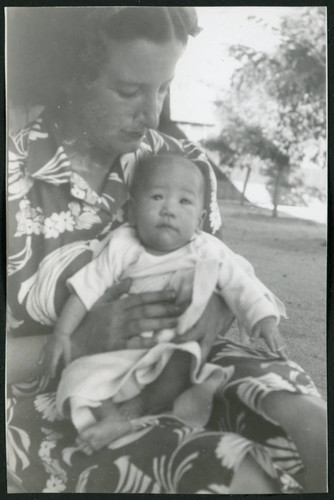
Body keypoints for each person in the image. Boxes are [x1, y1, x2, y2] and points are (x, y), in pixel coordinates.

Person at [6, 7, 326, 494]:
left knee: (308, 426)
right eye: (129, 91)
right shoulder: (14, 175)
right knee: (229, 473)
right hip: (64, 399)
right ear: (71, 75)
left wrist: (205, 321)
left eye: (162, 88)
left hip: (185, 364)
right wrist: (85, 338)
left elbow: (219, 277)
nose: (151, 114)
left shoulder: (181, 163)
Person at [41, 152, 286, 454]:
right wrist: (62, 334)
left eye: (184, 202)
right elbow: (85, 289)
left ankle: (138, 410)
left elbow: (240, 285)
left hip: (173, 344)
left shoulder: (206, 251)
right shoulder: (122, 246)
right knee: (75, 378)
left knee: (184, 358)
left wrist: (263, 318)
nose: (169, 209)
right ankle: (111, 419)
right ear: (132, 210)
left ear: (199, 219)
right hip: (121, 350)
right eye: (157, 197)